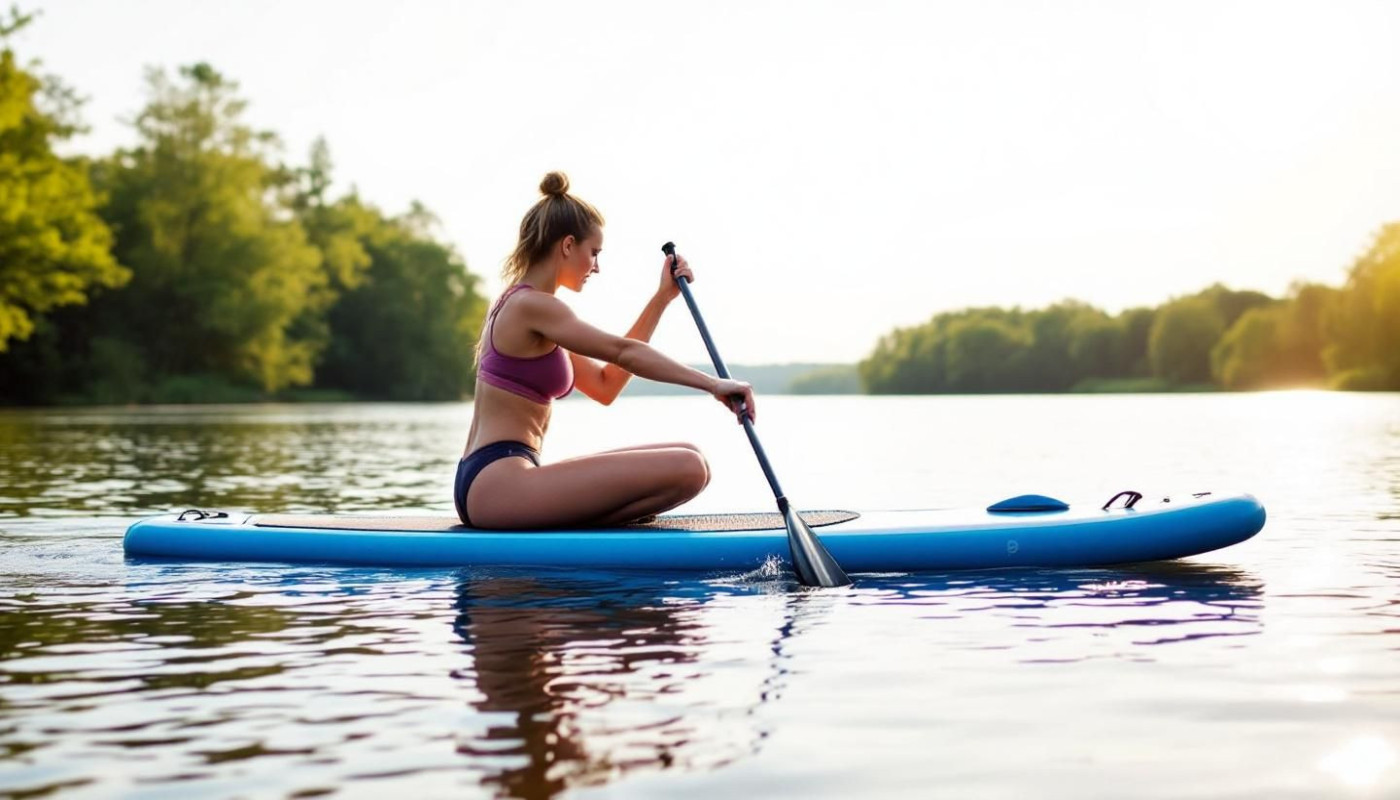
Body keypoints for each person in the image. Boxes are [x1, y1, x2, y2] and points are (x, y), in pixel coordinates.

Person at [455, 171, 755, 529]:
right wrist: (713, 385)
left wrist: (661, 299)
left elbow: (605, 384)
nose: (596, 267)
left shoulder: (531, 309)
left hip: (497, 480)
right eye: (593, 252)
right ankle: (587, 526)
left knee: (692, 456)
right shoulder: (533, 307)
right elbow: (622, 351)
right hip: (498, 486)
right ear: (567, 246)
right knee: (688, 469)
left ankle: (586, 523)